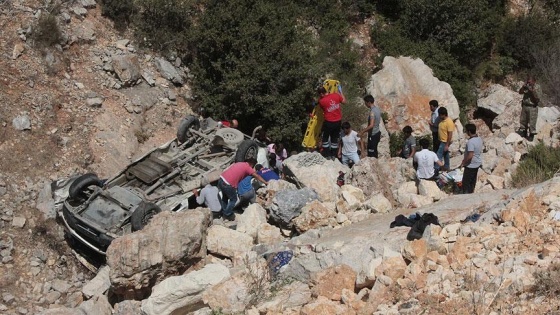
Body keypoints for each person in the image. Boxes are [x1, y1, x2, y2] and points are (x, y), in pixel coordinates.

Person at [317, 85, 346, 159]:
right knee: (334, 138)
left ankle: (327, 154)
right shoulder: (336, 95)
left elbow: (320, 106)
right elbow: (344, 101)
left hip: (329, 122)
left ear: (321, 94)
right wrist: (341, 92)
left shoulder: (322, 101)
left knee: (325, 138)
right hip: (338, 121)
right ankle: (333, 154)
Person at [458, 123, 483, 194]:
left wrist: (463, 162)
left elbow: (470, 155)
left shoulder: (471, 142)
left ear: (469, 132)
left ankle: (466, 195)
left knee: (466, 182)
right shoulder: (479, 139)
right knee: (473, 181)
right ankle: (471, 192)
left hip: (470, 165)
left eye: (466, 131)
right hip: (477, 164)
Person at [518, 77, 540, 141]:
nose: (529, 83)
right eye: (528, 82)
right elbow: (520, 92)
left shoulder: (537, 87)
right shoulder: (527, 86)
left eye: (530, 82)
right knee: (523, 120)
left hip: (532, 106)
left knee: (532, 121)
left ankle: (531, 134)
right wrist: (523, 87)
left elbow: (537, 99)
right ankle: (524, 131)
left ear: (534, 81)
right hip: (525, 105)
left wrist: (532, 92)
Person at [436, 107, 454, 172]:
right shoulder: (442, 120)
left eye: (440, 114)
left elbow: (450, 134)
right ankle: (447, 167)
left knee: (438, 156)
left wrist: (447, 145)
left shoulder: (449, 122)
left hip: (445, 142)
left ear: (443, 114)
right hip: (441, 140)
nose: (439, 116)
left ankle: (437, 169)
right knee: (446, 155)